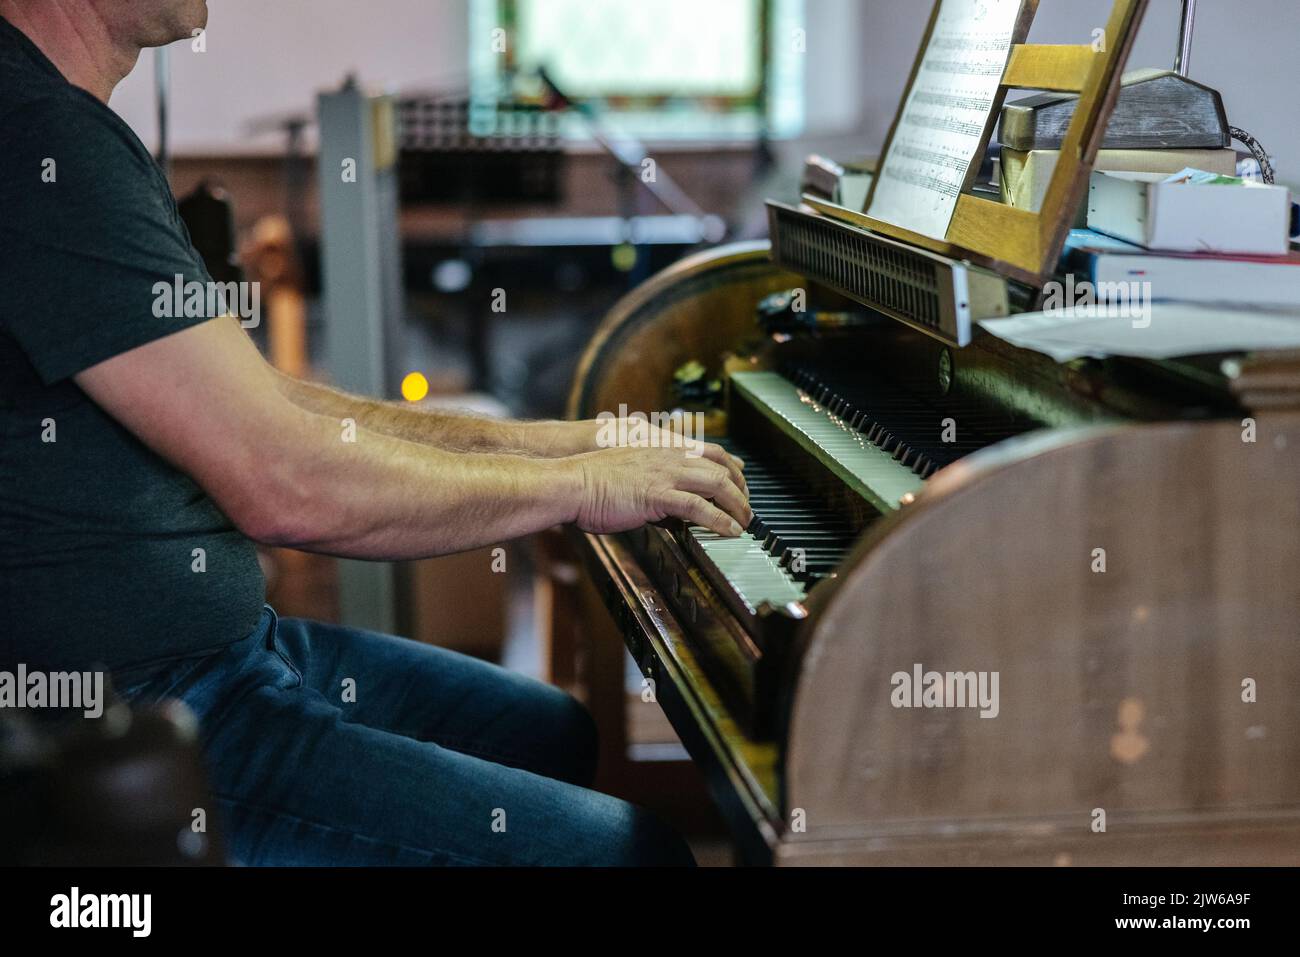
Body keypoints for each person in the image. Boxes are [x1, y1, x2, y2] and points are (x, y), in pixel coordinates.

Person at [0, 0, 751, 866]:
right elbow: (285, 481)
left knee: (545, 730)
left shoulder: (61, 121)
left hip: (220, 654)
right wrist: (581, 489)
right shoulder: (38, 136)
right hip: (131, 711)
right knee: (632, 855)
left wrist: (566, 443)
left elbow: (269, 407)